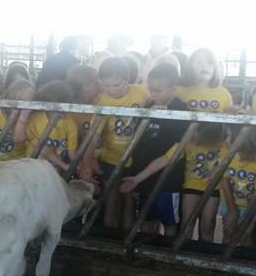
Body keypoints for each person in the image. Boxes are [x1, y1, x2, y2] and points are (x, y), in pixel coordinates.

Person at [122, 121, 227, 242]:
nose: (193, 133)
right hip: (191, 187)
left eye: (196, 131)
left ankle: (205, 255)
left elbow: (226, 164)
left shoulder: (224, 146)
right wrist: (137, 178)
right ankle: (184, 253)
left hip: (213, 188)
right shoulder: (187, 142)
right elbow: (164, 160)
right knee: (188, 224)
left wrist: (218, 171)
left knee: (207, 225)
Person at [119, 63, 189, 236]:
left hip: (168, 179)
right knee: (145, 218)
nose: (152, 94)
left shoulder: (182, 111)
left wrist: (165, 117)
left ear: (173, 88)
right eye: (151, 89)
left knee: (170, 221)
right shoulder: (149, 106)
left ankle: (166, 257)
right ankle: (145, 253)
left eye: (158, 91)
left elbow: (175, 149)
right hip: (144, 176)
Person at [80, 57, 149, 230]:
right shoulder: (101, 101)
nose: (111, 90)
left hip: (138, 155)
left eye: (116, 85)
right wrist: (87, 163)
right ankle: (109, 237)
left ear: (127, 80)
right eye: (107, 85)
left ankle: (127, 239)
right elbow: (94, 135)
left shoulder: (140, 92)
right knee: (111, 196)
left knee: (130, 199)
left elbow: (154, 103)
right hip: (111, 157)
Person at [219, 125, 256, 245]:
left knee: (246, 234)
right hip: (229, 200)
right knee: (228, 231)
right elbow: (224, 179)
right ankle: (223, 261)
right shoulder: (226, 148)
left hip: (251, 202)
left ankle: (243, 261)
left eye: (232, 135)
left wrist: (248, 215)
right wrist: (231, 210)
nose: (229, 139)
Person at [20, 80, 80, 172]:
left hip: (55, 169)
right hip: (34, 166)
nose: (62, 111)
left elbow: (72, 152)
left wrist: (79, 167)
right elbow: (41, 148)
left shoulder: (70, 123)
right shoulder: (35, 119)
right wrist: (64, 166)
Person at [0, 78, 35, 165]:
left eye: (30, 102)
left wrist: (23, 116)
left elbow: (18, 139)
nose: (26, 107)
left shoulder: (28, 118)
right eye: (22, 101)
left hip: (15, 164)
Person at [176, 48, 233, 114]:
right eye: (199, 62)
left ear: (215, 68)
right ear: (190, 66)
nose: (204, 66)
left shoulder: (224, 93)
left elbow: (230, 119)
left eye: (210, 63)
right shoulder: (178, 92)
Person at [66, 64, 102, 145]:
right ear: (85, 87)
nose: (100, 84)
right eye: (96, 82)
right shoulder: (70, 109)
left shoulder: (100, 100)